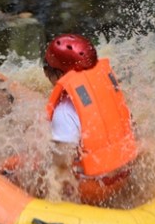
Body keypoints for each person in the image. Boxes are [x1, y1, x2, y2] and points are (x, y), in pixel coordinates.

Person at [42, 33, 138, 205]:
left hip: (93, 189)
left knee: (20, 168)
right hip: (123, 177)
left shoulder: (64, 111)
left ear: (57, 74)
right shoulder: (108, 90)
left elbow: (61, 169)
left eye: (46, 67)